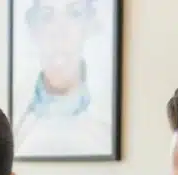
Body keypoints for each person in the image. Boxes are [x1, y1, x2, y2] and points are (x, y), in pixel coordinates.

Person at [14, 0, 114, 158]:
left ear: (89, 27)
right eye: (47, 16)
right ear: (34, 30)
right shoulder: (17, 131)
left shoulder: (106, 129)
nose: (60, 32)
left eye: (75, 14)